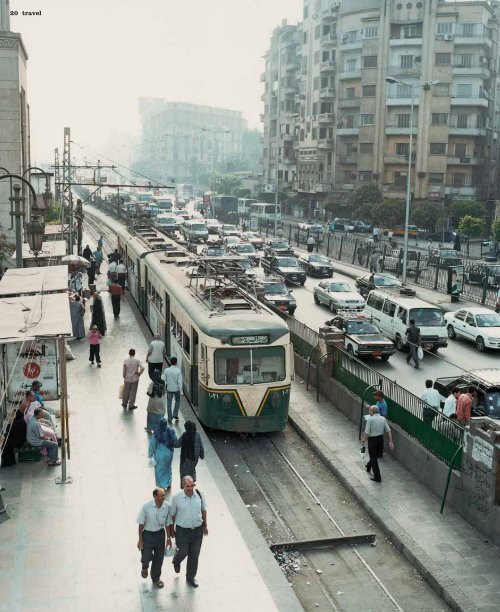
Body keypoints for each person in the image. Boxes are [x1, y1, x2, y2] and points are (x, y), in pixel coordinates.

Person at [168, 475, 208, 588]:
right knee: (183, 552)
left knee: (194, 554)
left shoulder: (199, 495)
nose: (190, 488)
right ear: (183, 486)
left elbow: (204, 510)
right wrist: (171, 530)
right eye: (187, 486)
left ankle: (190, 577)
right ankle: (176, 561)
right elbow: (172, 515)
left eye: (192, 485)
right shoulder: (177, 498)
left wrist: (205, 525)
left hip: (197, 531)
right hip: (182, 531)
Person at [136, 488, 172, 589]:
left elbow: (168, 523)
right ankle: (145, 566)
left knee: (159, 558)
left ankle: (156, 578)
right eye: (161, 496)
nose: (163, 497)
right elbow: (141, 524)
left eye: (164, 495)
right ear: (155, 496)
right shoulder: (146, 507)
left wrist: (168, 538)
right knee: (146, 556)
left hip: (160, 535)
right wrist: (140, 539)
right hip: (148, 535)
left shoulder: (167, 506)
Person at [361, 405, 394, 483]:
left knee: (373, 458)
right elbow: (388, 431)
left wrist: (363, 440)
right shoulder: (383, 419)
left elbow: (366, 432)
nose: (369, 412)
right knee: (374, 456)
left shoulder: (370, 420)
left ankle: (377, 477)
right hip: (380, 440)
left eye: (369, 411)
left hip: (372, 440)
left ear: (373, 411)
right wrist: (390, 441)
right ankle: (368, 467)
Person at [148, 418, 178, 490]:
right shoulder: (171, 432)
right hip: (169, 454)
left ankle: (161, 485)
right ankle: (168, 483)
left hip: (159, 455)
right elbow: (176, 441)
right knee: (168, 468)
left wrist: (150, 455)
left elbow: (152, 445)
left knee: (159, 469)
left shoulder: (156, 433)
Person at [174, 421, 205, 485]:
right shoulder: (197, 434)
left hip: (186, 457)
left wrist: (173, 437)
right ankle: (192, 480)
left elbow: (177, 444)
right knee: (191, 469)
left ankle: (184, 485)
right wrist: (202, 455)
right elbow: (200, 445)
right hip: (195, 457)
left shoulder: (185, 435)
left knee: (184, 471)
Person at [162, 357, 183, 422]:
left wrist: (164, 389)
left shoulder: (166, 370)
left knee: (169, 403)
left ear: (170, 362)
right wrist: (181, 391)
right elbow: (180, 382)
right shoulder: (178, 371)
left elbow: (163, 380)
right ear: (176, 362)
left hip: (169, 389)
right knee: (177, 401)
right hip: (176, 389)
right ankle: (175, 415)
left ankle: (170, 417)